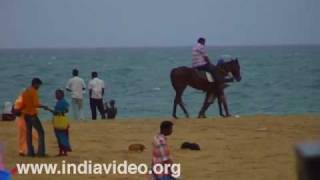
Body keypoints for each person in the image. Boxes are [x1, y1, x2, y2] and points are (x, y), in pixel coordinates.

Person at [21, 78, 47, 157]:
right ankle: (41, 152)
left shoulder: (25, 91)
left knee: (29, 133)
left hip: (26, 115)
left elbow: (23, 104)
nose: (39, 87)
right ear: (35, 84)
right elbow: (36, 104)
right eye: (38, 85)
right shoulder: (33, 92)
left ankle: (30, 152)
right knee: (41, 132)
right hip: (32, 115)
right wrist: (44, 106)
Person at [44, 89, 72, 156]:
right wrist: (48, 109)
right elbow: (55, 112)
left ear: (62, 95)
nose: (56, 95)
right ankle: (62, 152)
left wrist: (60, 112)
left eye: (57, 94)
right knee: (60, 137)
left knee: (63, 136)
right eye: (56, 94)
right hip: (58, 120)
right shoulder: (59, 102)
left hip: (61, 121)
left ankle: (64, 152)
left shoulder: (64, 102)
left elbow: (66, 110)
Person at [13, 91, 38, 156]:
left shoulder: (19, 100)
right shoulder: (22, 100)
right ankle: (32, 150)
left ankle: (22, 150)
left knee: (23, 135)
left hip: (21, 119)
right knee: (32, 134)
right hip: (24, 119)